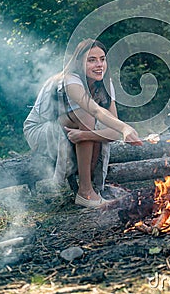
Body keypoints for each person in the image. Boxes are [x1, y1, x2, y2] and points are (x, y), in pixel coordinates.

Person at [23, 39, 142, 208]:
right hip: (40, 130)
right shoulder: (69, 80)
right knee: (86, 115)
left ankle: (92, 189)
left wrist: (86, 135)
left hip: (70, 128)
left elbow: (113, 131)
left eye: (102, 59)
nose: (99, 64)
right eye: (91, 60)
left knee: (93, 125)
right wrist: (125, 127)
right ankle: (85, 192)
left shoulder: (105, 83)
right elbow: (95, 111)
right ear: (79, 62)